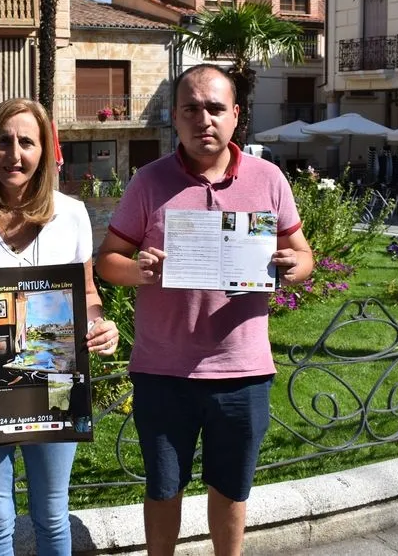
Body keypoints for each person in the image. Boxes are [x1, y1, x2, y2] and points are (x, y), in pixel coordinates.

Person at [95, 64, 313, 556]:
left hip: (243, 370)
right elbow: (108, 259)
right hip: (162, 370)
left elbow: (304, 254)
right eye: (191, 109)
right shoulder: (149, 182)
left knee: (232, 490)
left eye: (215, 108)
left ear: (236, 115)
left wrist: (289, 267)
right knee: (163, 488)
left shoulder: (269, 179)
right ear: (175, 116)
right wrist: (139, 271)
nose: (204, 119)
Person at [0, 97, 119, 555]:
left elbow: (89, 296)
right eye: (2, 141)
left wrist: (100, 326)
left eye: (26, 142)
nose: (14, 154)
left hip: (53, 386)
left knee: (52, 515)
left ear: (44, 151)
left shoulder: (72, 215)